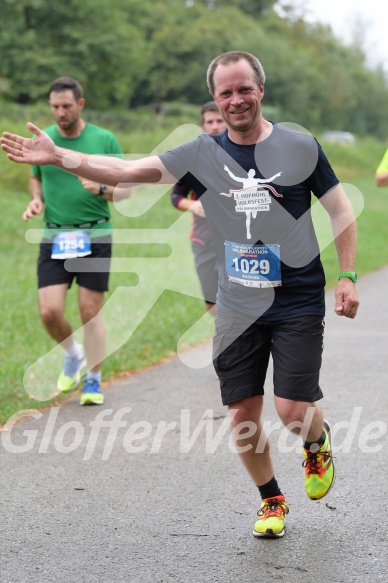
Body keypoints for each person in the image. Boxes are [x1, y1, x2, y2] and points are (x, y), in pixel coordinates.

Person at [1, 51, 359, 538]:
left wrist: (348, 274)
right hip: (236, 304)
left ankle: (315, 443)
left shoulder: (299, 146)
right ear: (214, 99)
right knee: (242, 413)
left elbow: (340, 209)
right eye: (226, 93)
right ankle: (271, 500)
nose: (236, 100)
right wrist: (59, 158)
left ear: (261, 90)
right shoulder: (201, 153)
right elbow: (125, 171)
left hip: (295, 297)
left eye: (244, 89)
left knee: (293, 411)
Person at [21, 76, 131, 406]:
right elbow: (35, 177)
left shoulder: (104, 139)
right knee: (49, 311)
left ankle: (93, 381)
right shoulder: (44, 138)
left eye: (66, 106)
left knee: (89, 311)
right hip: (55, 234)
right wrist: (36, 199)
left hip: (94, 233)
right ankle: (73, 355)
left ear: (80, 104)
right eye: (54, 106)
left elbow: (125, 191)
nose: (60, 113)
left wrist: (100, 188)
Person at [171, 101, 226, 312]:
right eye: (209, 122)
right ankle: (227, 338)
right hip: (203, 240)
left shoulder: (245, 155)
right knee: (211, 302)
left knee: (237, 300)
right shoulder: (193, 159)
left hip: (237, 241)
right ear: (202, 126)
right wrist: (193, 205)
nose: (214, 126)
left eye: (219, 121)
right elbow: (176, 196)